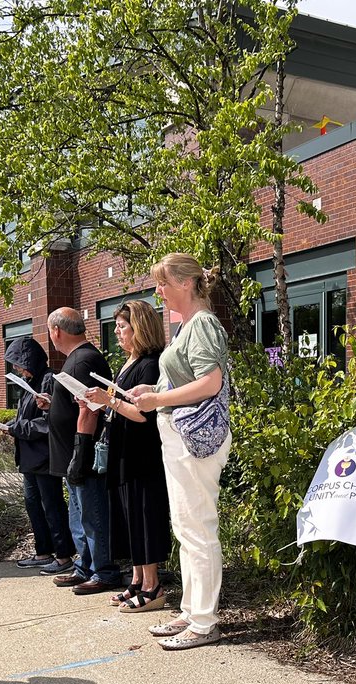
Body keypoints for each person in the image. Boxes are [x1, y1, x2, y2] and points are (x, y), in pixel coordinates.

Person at [130, 254, 231, 649]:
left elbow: (210, 383)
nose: (158, 291)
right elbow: (190, 381)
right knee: (187, 527)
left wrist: (159, 398)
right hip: (181, 436)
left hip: (193, 439)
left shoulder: (202, 324)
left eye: (163, 283)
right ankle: (192, 612)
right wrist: (153, 394)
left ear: (187, 284)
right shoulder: (188, 325)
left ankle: (204, 622)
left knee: (198, 527)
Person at [84, 299, 171, 612]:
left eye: (123, 327)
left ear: (140, 328)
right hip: (123, 451)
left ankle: (153, 585)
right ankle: (136, 580)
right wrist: (98, 400)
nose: (117, 333)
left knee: (143, 517)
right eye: (117, 327)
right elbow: (120, 402)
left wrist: (109, 402)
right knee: (129, 517)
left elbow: (143, 414)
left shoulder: (150, 363)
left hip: (143, 454)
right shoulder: (129, 362)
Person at [40, 307, 122, 593]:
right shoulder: (80, 359)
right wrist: (54, 404)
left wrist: (80, 453)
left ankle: (104, 570)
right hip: (72, 452)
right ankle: (84, 565)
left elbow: (90, 410)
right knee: (79, 513)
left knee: (91, 513)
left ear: (56, 331)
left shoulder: (82, 361)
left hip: (82, 453)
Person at [4, 336, 75, 575]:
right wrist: (14, 423)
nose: (16, 368)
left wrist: (18, 428)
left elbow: (47, 423)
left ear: (29, 360)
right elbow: (28, 416)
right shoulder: (30, 382)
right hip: (29, 459)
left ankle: (64, 555)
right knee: (33, 505)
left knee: (51, 505)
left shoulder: (47, 380)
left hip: (44, 456)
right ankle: (43, 551)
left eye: (18, 363)